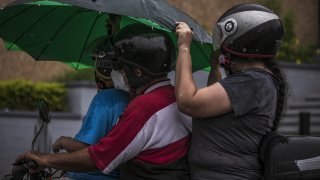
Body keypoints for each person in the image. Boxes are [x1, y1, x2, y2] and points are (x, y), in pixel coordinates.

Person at [15, 23, 192, 180]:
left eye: (121, 67)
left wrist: (45, 159)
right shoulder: (172, 96)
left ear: (137, 72)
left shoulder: (145, 106)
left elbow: (98, 157)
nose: (118, 72)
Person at [175, 3, 287, 180]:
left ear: (243, 39)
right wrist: (215, 70)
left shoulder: (252, 82)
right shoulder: (257, 80)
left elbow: (188, 101)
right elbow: (214, 104)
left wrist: (184, 48)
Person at [50, 14, 130, 180]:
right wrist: (115, 27)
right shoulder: (134, 98)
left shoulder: (104, 100)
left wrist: (63, 141)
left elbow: (87, 149)